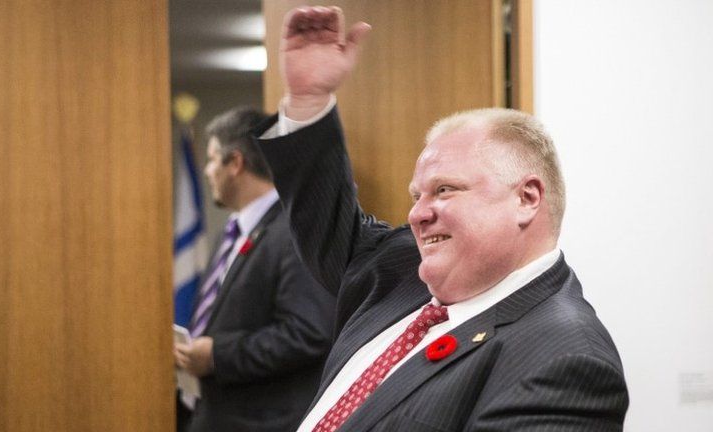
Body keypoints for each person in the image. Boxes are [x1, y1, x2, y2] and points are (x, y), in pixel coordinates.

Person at [254, 6, 629, 431]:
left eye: (444, 190)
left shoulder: (566, 360)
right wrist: (308, 101)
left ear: (526, 198)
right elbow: (330, 223)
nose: (416, 214)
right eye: (417, 195)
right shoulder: (402, 272)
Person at [174, 106, 336, 432]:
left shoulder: (295, 231)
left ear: (235, 163)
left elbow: (309, 332)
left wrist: (220, 355)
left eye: (212, 159)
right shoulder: (232, 230)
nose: (207, 171)